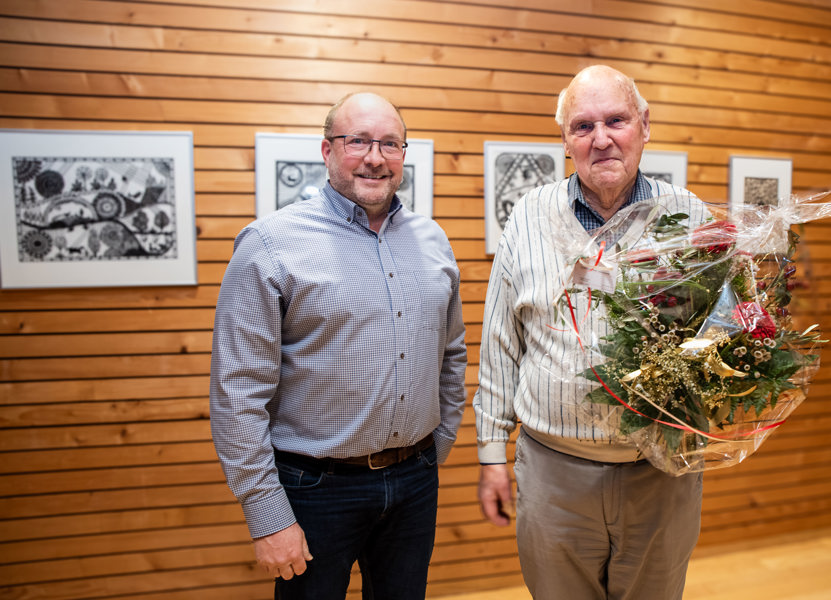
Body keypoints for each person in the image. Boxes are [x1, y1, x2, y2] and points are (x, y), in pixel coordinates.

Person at [210, 92, 467, 599]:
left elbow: (451, 353)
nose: (375, 157)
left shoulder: (432, 240)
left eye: (389, 144)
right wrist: (267, 516)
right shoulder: (269, 244)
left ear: (403, 154)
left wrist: (436, 445)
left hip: (415, 479)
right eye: (359, 142)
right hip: (314, 489)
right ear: (327, 150)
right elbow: (237, 392)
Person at [474, 65, 707, 599]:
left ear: (644, 125)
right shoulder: (528, 216)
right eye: (583, 126)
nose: (601, 139)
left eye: (616, 121)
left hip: (661, 472)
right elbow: (500, 344)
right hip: (553, 474)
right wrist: (490, 455)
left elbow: (718, 333)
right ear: (565, 140)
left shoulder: (688, 215)